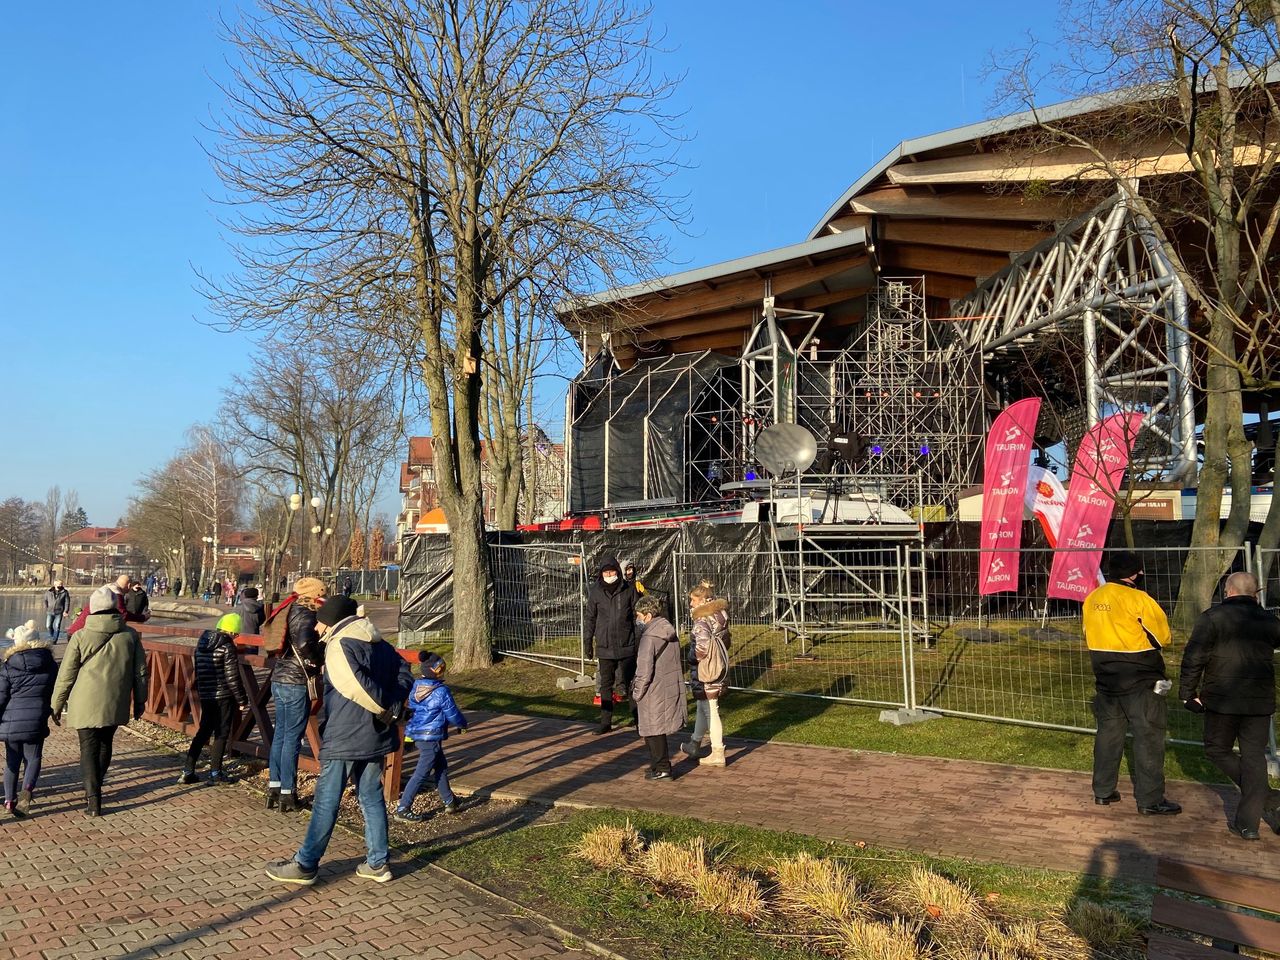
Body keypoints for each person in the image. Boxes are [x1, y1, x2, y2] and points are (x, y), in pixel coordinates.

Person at [267, 596, 413, 885]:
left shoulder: (340, 645)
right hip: (374, 733)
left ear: (333, 620)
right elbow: (404, 672)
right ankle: (377, 862)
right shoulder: (381, 644)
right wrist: (394, 700)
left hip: (347, 733)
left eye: (321, 620)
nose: (317, 627)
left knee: (326, 800)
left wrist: (388, 708)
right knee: (371, 796)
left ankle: (306, 863)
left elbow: (356, 686)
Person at [1179, 571, 1280, 840]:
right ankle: (1251, 820)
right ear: (1255, 593)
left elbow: (1194, 658)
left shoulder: (1212, 618)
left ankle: (1262, 804)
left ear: (1228, 591)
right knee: (1254, 757)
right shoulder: (1270, 621)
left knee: (1216, 749)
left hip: (1222, 699)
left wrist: (1188, 694)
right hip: (1259, 701)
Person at [1082, 551, 1180, 816]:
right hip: (1140, 679)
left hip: (1105, 678)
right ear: (1136, 573)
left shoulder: (1092, 598)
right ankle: (1150, 800)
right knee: (1148, 737)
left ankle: (1103, 791)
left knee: (1108, 735)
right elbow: (1163, 637)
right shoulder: (1140, 599)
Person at [50, 585, 147, 817]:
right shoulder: (130, 635)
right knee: (105, 744)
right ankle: (97, 785)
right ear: (115, 608)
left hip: (84, 700)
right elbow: (141, 672)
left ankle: (93, 797)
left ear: (92, 609)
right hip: (116, 699)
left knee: (88, 747)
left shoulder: (81, 636)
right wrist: (140, 701)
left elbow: (66, 674)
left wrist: (56, 704)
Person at [266, 576, 327, 812]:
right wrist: (319, 655)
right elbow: (303, 644)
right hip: (296, 681)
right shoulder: (305, 612)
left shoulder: (289, 608)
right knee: (292, 737)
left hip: (281, 677)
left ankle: (275, 786)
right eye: (322, 594)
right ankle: (288, 792)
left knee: (281, 735)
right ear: (314, 595)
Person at [394, 652, 466, 821]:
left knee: (441, 765)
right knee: (422, 772)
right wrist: (463, 724)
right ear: (435, 672)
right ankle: (403, 808)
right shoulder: (441, 692)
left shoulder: (416, 686)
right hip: (431, 736)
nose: (443, 671)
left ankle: (449, 801)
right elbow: (453, 714)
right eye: (441, 669)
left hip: (417, 733)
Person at [180, 613, 250, 786]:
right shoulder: (227, 646)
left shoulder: (202, 643)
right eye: (236, 634)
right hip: (223, 695)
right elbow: (232, 677)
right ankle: (215, 772)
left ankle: (188, 771)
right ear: (233, 632)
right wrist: (242, 699)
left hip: (206, 694)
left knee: (203, 731)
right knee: (221, 733)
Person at [0, 622, 58, 817]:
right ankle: (27, 789)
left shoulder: (8, 665)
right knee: (33, 757)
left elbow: (1, 695)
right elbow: (54, 689)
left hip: (11, 720)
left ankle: (9, 800)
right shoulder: (49, 663)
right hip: (37, 717)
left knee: (12, 761)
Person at [631, 594, 685, 781]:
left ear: (647, 615)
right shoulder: (668, 631)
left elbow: (644, 669)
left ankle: (662, 767)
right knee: (656, 729)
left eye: (639, 615)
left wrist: (637, 692)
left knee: (652, 731)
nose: (637, 619)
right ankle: (657, 765)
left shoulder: (649, 638)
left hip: (652, 689)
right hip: (667, 685)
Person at [584, 556, 637, 735]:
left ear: (617, 572)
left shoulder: (628, 590)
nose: (609, 575)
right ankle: (605, 722)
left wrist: (639, 642)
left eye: (612, 572)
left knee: (631, 684)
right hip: (605, 645)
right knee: (605, 685)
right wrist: (588, 641)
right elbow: (590, 617)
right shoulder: (596, 591)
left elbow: (638, 617)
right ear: (601, 574)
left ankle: (639, 721)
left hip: (627, 644)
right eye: (606, 572)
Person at [681, 580, 730, 767]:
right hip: (719, 664)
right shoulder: (720, 614)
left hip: (707, 668)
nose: (691, 604)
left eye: (693, 600)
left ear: (702, 601)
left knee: (711, 709)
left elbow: (701, 648)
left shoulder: (702, 621)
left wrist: (691, 657)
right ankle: (695, 742)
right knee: (703, 703)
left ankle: (718, 751)